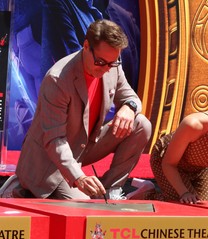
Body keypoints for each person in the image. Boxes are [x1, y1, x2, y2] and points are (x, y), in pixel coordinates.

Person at [0, 19, 152, 200]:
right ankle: (21, 185)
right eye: (101, 62)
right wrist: (79, 177)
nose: (106, 69)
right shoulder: (58, 79)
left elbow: (132, 98)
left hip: (83, 147)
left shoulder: (112, 67)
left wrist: (129, 107)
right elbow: (54, 140)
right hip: (50, 160)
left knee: (141, 124)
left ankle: (110, 190)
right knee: (83, 205)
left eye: (113, 62)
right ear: (86, 46)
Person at [149, 111, 208, 204]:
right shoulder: (193, 124)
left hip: (200, 168)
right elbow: (168, 164)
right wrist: (184, 193)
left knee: (204, 205)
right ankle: (147, 193)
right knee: (187, 204)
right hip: (168, 163)